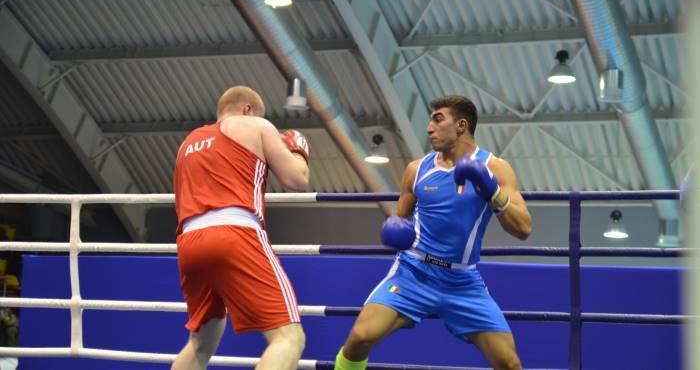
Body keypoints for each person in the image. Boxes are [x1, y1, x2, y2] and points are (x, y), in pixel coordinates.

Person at [335, 95, 532, 370]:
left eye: (438, 119)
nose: (429, 127)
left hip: (462, 282)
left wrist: (492, 191)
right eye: (430, 120)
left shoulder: (495, 168)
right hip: (414, 272)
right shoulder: (417, 170)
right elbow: (399, 221)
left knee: (509, 363)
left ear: (461, 125)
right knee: (359, 337)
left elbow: (524, 228)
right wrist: (393, 231)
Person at [172, 85, 311, 370]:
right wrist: (298, 151)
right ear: (249, 109)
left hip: (189, 243)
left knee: (199, 344)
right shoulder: (255, 125)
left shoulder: (189, 142)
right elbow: (296, 180)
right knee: (288, 337)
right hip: (234, 234)